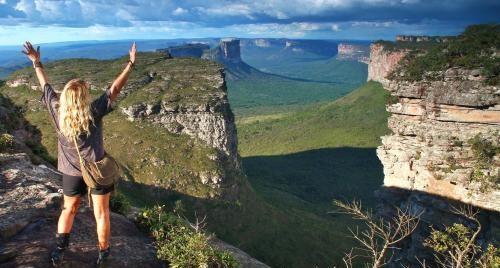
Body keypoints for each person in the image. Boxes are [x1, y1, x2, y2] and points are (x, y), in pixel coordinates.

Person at [21, 41, 136, 266]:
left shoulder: (57, 112)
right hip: (97, 171)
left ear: (65, 99)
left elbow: (46, 86)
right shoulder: (93, 112)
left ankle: (59, 252)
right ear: (83, 98)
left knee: (69, 209)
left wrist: (36, 62)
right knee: (101, 214)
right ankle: (103, 255)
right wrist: (130, 64)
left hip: (71, 172)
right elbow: (114, 89)